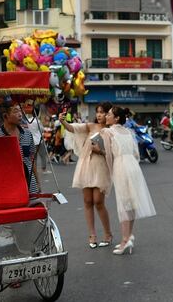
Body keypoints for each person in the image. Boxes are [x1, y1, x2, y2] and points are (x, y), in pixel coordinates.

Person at [96, 106, 156, 255]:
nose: (106, 116)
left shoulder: (107, 132)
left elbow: (109, 155)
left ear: (116, 118)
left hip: (121, 165)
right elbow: (136, 154)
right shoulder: (129, 132)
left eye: (109, 114)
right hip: (133, 166)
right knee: (132, 202)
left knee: (123, 204)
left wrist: (111, 171)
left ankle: (124, 240)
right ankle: (128, 236)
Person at [60, 102, 114, 249]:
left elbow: (114, 153)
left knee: (98, 201)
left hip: (101, 166)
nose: (99, 115)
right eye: (98, 112)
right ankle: (92, 235)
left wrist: (100, 151)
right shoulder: (90, 126)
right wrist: (62, 121)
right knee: (87, 201)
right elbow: (72, 128)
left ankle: (108, 234)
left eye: (103, 112)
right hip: (86, 165)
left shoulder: (111, 130)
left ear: (109, 113)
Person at [0, 102, 38, 194]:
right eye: (15, 111)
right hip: (8, 185)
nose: (20, 114)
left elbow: (32, 159)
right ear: (5, 116)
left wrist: (38, 182)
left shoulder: (27, 134)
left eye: (20, 111)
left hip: (30, 184)